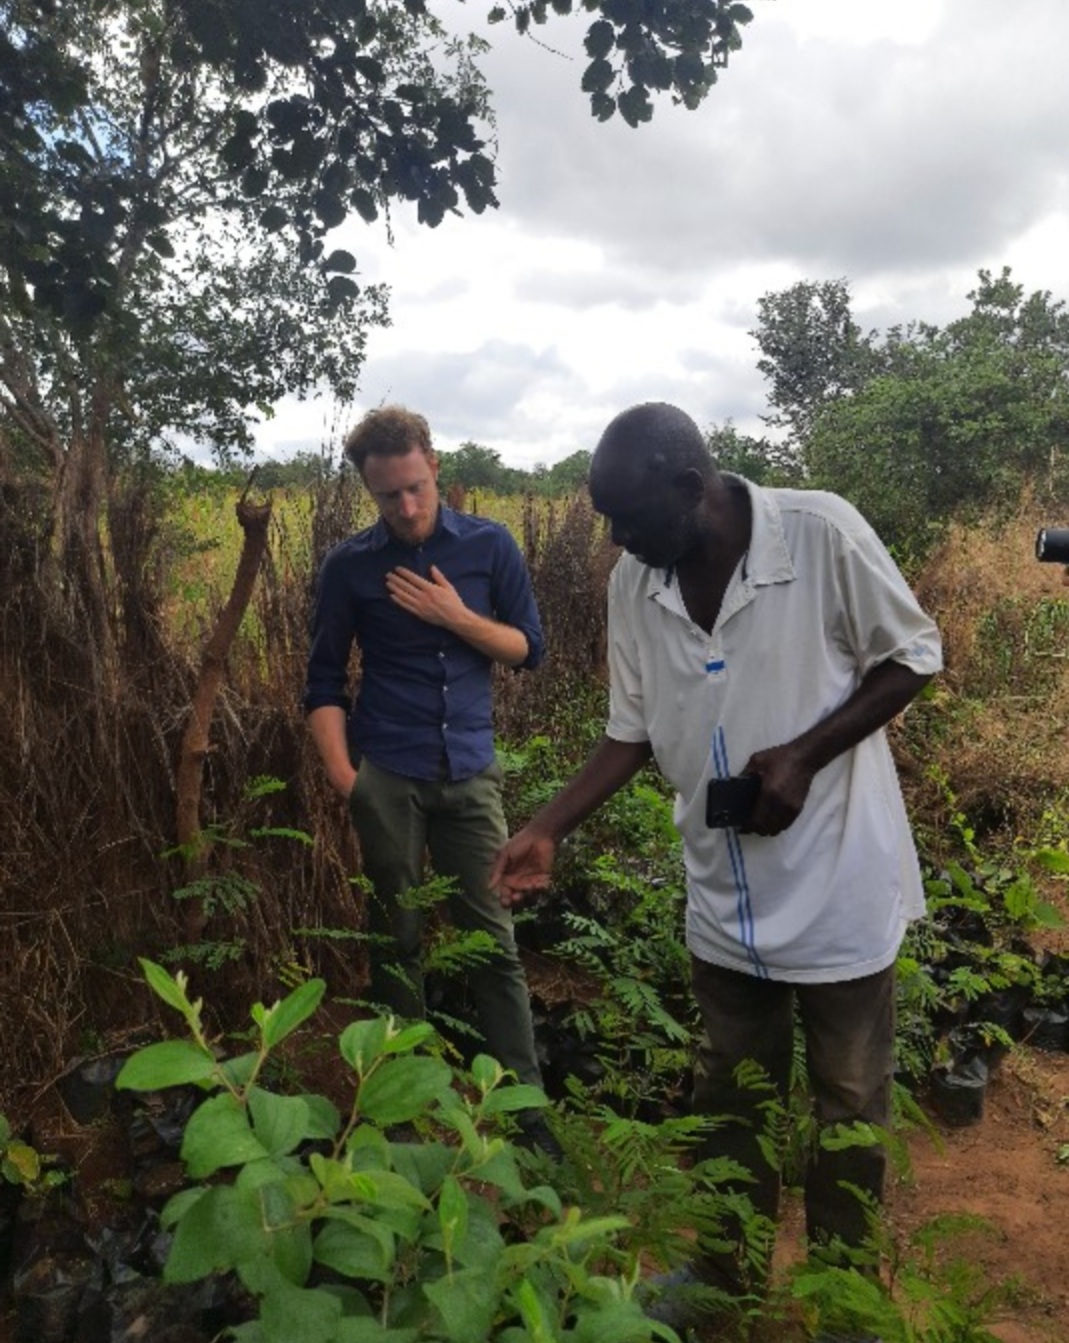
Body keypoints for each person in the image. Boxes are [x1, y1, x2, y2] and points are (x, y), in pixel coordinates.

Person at [490, 402, 942, 1339]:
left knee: (847, 1108)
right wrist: (546, 826)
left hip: (835, 882)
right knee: (731, 1096)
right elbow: (631, 731)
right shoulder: (636, 583)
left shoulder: (819, 534)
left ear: (692, 489)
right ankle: (724, 1276)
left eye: (627, 519)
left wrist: (804, 755)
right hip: (721, 896)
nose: (615, 541)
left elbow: (912, 656)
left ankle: (844, 1300)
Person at [304, 404, 558, 1155]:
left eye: (415, 487)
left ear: (435, 466)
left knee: (492, 942)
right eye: (389, 496)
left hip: (471, 775)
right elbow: (323, 679)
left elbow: (528, 649)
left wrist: (454, 615)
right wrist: (345, 776)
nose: (408, 508)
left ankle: (525, 1111)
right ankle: (402, 1103)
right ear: (369, 491)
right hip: (388, 773)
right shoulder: (350, 565)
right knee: (396, 937)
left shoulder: (489, 546)